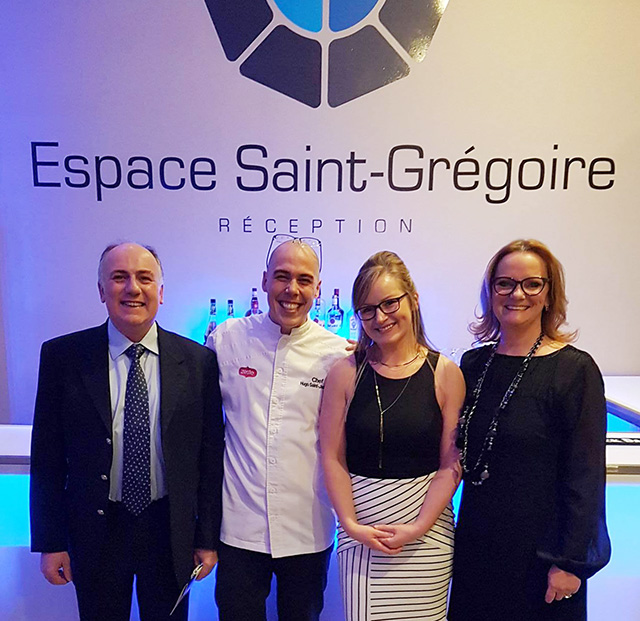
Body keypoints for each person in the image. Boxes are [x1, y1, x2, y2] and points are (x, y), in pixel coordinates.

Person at [30, 242, 224, 621]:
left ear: (161, 292)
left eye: (144, 278)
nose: (133, 288)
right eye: (119, 277)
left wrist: (206, 538)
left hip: (169, 530)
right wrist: (50, 542)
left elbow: (209, 459)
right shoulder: (63, 357)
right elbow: (47, 458)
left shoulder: (198, 361)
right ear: (101, 290)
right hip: (96, 529)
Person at [448, 239, 611, 621]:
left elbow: (586, 476)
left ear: (549, 293)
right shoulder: (473, 364)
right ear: (491, 292)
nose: (517, 294)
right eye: (504, 283)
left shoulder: (575, 370)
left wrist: (570, 563)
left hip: (543, 560)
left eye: (531, 284)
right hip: (477, 549)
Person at [207, 234, 349, 621]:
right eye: (282, 276)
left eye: (304, 280)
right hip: (239, 527)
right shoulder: (227, 339)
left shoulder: (338, 354)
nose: (292, 289)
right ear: (265, 280)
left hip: (308, 528)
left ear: (318, 288)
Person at [319, 250, 465, 621]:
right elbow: (332, 457)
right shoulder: (344, 373)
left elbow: (451, 464)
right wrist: (350, 526)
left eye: (389, 303)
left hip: (428, 538)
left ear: (412, 299)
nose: (380, 318)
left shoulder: (446, 374)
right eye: (368, 310)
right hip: (360, 535)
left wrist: (418, 527)